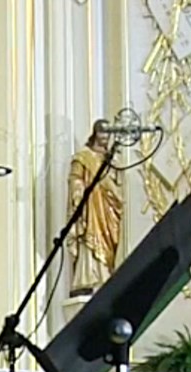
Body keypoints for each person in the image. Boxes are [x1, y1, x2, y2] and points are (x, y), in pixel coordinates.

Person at [65, 118, 122, 297]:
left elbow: (117, 183)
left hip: (106, 208)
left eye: (108, 134)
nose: (105, 137)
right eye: (102, 133)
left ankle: (106, 274)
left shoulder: (112, 158)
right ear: (95, 133)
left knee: (109, 240)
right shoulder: (83, 156)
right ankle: (88, 277)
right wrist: (79, 192)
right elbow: (75, 178)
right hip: (91, 206)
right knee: (90, 241)